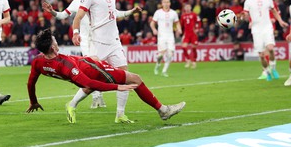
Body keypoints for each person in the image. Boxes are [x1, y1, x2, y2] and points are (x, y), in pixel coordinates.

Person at [26, 29, 186, 124]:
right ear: (53, 48)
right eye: (55, 41)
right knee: (136, 79)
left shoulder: (38, 62)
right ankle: (163, 111)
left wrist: (33, 101)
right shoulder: (65, 66)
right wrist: (117, 87)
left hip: (88, 63)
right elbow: (90, 83)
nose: (56, 42)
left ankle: (73, 104)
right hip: (96, 71)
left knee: (98, 69)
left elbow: (31, 83)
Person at [42, 0, 141, 109]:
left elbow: (115, 13)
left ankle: (113, 108)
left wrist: (130, 11)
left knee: (110, 71)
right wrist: (52, 11)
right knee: (93, 72)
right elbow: (62, 15)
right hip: (85, 41)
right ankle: (95, 98)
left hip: (100, 39)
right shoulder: (77, 2)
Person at [71, 0, 137, 124]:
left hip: (114, 42)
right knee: (93, 82)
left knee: (125, 76)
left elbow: (113, 15)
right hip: (98, 43)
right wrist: (76, 33)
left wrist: (129, 12)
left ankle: (120, 114)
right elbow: (78, 17)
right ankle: (72, 104)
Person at [241, 0, 288, 81]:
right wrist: (245, 16)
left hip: (267, 27)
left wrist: (280, 21)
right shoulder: (248, 1)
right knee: (262, 55)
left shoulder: (268, 0)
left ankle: (273, 68)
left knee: (270, 48)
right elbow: (245, 15)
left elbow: (274, 11)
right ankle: (267, 72)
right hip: (256, 30)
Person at [150, 0, 182, 77]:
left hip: (170, 35)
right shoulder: (158, 12)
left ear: (170, 3)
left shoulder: (173, 13)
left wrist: (179, 29)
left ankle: (164, 71)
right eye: (164, 2)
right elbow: (152, 23)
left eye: (168, 2)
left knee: (171, 54)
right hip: (161, 36)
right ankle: (158, 65)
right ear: (162, 4)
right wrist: (154, 29)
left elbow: (177, 23)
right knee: (161, 54)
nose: (166, 4)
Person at [180, 3, 200, 68]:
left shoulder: (194, 14)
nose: (188, 8)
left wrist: (197, 29)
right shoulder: (183, 16)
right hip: (186, 34)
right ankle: (188, 59)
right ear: (185, 8)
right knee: (183, 47)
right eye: (186, 7)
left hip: (193, 34)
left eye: (189, 7)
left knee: (194, 48)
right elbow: (181, 25)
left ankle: (194, 61)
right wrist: (179, 30)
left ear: (191, 8)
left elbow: (199, 22)